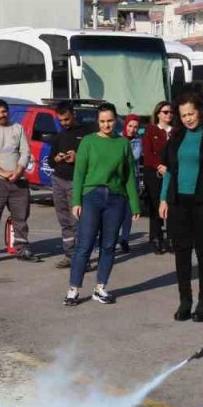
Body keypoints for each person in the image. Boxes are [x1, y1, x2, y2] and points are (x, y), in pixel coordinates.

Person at [158, 93, 203, 322]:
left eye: (191, 113)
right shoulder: (177, 137)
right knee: (181, 252)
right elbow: (169, 169)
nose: (188, 119)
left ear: (200, 111)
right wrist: (163, 199)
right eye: (183, 115)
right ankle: (185, 301)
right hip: (178, 202)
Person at [66, 104, 141, 306]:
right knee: (85, 245)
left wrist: (135, 205)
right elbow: (79, 173)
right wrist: (76, 201)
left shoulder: (123, 143)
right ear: (97, 122)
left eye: (110, 120)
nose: (107, 124)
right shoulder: (88, 142)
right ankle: (73, 289)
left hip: (116, 200)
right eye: (102, 121)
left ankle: (100, 288)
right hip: (92, 196)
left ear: (116, 120)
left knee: (108, 246)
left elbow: (129, 177)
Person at [0, 100, 40, 264]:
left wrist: (18, 171)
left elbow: (26, 151)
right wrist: (2, 172)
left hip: (18, 182)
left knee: (21, 218)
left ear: (8, 111)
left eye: (3, 112)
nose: (1, 115)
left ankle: (22, 249)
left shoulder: (17, 128)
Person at [47, 102, 93, 268]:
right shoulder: (58, 137)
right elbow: (50, 161)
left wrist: (77, 156)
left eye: (66, 119)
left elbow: (93, 157)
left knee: (77, 221)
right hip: (58, 180)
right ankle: (69, 254)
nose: (64, 123)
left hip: (77, 181)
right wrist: (57, 159)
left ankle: (83, 258)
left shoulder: (87, 133)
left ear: (73, 114)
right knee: (64, 220)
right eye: (61, 120)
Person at [141, 101, 174, 254]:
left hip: (172, 173)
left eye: (170, 112)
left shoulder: (177, 131)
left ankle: (173, 238)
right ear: (158, 114)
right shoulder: (151, 130)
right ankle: (157, 238)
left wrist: (170, 167)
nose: (169, 114)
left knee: (173, 206)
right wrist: (160, 166)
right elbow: (147, 154)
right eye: (165, 112)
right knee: (156, 207)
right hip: (154, 174)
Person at [118, 113, 142, 254]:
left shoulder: (138, 141)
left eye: (135, 127)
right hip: (116, 180)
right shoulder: (117, 138)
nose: (132, 129)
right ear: (125, 125)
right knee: (114, 212)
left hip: (131, 180)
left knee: (128, 213)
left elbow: (134, 156)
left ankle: (124, 239)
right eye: (130, 126)